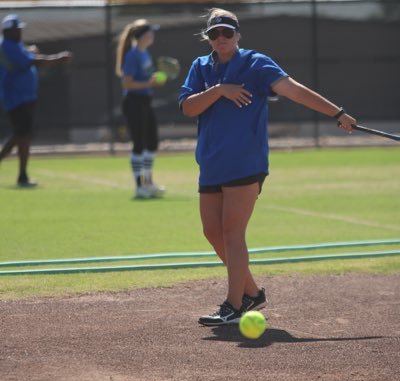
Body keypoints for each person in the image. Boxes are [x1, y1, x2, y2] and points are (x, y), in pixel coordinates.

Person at [179, 8, 356, 326]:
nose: (221, 39)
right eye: (214, 34)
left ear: (237, 35)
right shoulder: (200, 67)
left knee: (233, 233)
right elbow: (188, 108)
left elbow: (295, 91)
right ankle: (252, 293)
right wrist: (220, 90)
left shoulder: (256, 63)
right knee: (212, 232)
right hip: (211, 162)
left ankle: (234, 305)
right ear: (208, 37)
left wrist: (337, 112)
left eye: (227, 33)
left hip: (246, 161)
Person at [0, 14, 72, 187]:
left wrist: (31, 50)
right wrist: (57, 59)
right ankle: (22, 176)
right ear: (9, 31)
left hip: (26, 96)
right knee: (22, 134)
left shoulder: (15, 44)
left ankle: (22, 175)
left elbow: (29, 54)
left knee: (23, 134)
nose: (20, 32)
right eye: (17, 29)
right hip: (15, 96)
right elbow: (32, 61)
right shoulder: (6, 45)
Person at [115, 19, 166, 199]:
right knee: (139, 143)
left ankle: (149, 182)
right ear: (142, 36)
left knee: (152, 142)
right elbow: (127, 83)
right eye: (150, 32)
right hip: (133, 102)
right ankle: (139, 187)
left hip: (145, 100)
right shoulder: (132, 55)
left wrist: (154, 79)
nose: (152, 35)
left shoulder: (145, 54)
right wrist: (148, 82)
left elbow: (144, 79)